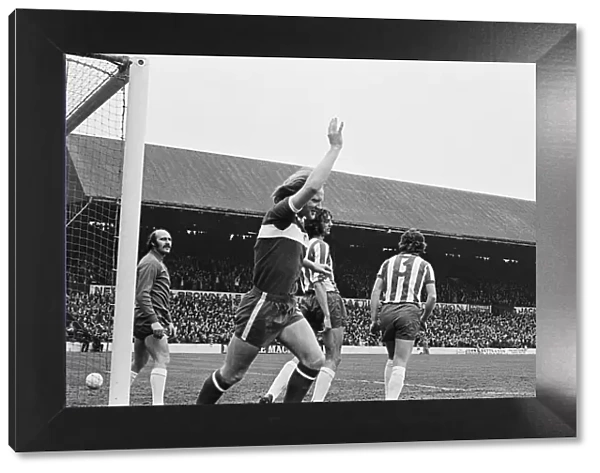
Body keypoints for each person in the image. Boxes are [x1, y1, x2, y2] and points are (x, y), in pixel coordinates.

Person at [195, 117, 344, 404]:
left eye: (320, 201)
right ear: (295, 194)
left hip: (287, 305)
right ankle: (195, 419)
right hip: (262, 304)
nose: (318, 204)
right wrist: (335, 148)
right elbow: (312, 186)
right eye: (315, 200)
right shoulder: (279, 214)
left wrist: (312, 266)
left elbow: (291, 259)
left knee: (314, 360)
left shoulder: (299, 229)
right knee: (232, 374)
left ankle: (286, 418)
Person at [259, 208, 346, 403]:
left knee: (303, 354)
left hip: (306, 299)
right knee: (333, 356)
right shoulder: (321, 246)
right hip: (326, 298)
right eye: (328, 221)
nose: (331, 224)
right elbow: (319, 281)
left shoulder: (302, 245)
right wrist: (327, 315)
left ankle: (271, 394)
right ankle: (316, 404)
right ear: (318, 224)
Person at [369, 228, 436, 400]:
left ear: (402, 244)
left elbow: (376, 291)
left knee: (391, 358)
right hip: (408, 310)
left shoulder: (387, 263)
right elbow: (432, 296)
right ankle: (391, 402)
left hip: (387, 310)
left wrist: (374, 319)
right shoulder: (424, 265)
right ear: (421, 246)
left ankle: (387, 398)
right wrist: (423, 319)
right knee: (401, 361)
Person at [129, 229, 176, 406]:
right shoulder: (150, 263)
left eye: (169, 239)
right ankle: (158, 405)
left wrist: (168, 319)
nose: (168, 242)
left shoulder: (157, 262)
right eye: (163, 239)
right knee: (162, 358)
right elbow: (142, 294)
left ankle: (120, 394)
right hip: (149, 318)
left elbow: (161, 295)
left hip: (149, 317)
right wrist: (155, 321)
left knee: (139, 362)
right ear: (153, 243)